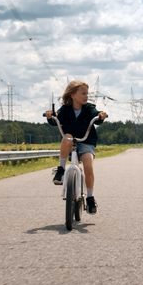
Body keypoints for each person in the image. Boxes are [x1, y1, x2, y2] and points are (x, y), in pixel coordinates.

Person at [44, 80, 108, 214]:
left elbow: (96, 115)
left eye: (87, 93)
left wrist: (101, 116)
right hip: (70, 143)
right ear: (72, 95)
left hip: (86, 142)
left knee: (88, 165)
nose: (86, 96)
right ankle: (61, 170)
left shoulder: (89, 108)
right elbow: (56, 119)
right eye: (83, 93)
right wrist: (50, 116)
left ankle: (90, 197)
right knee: (67, 136)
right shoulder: (65, 110)